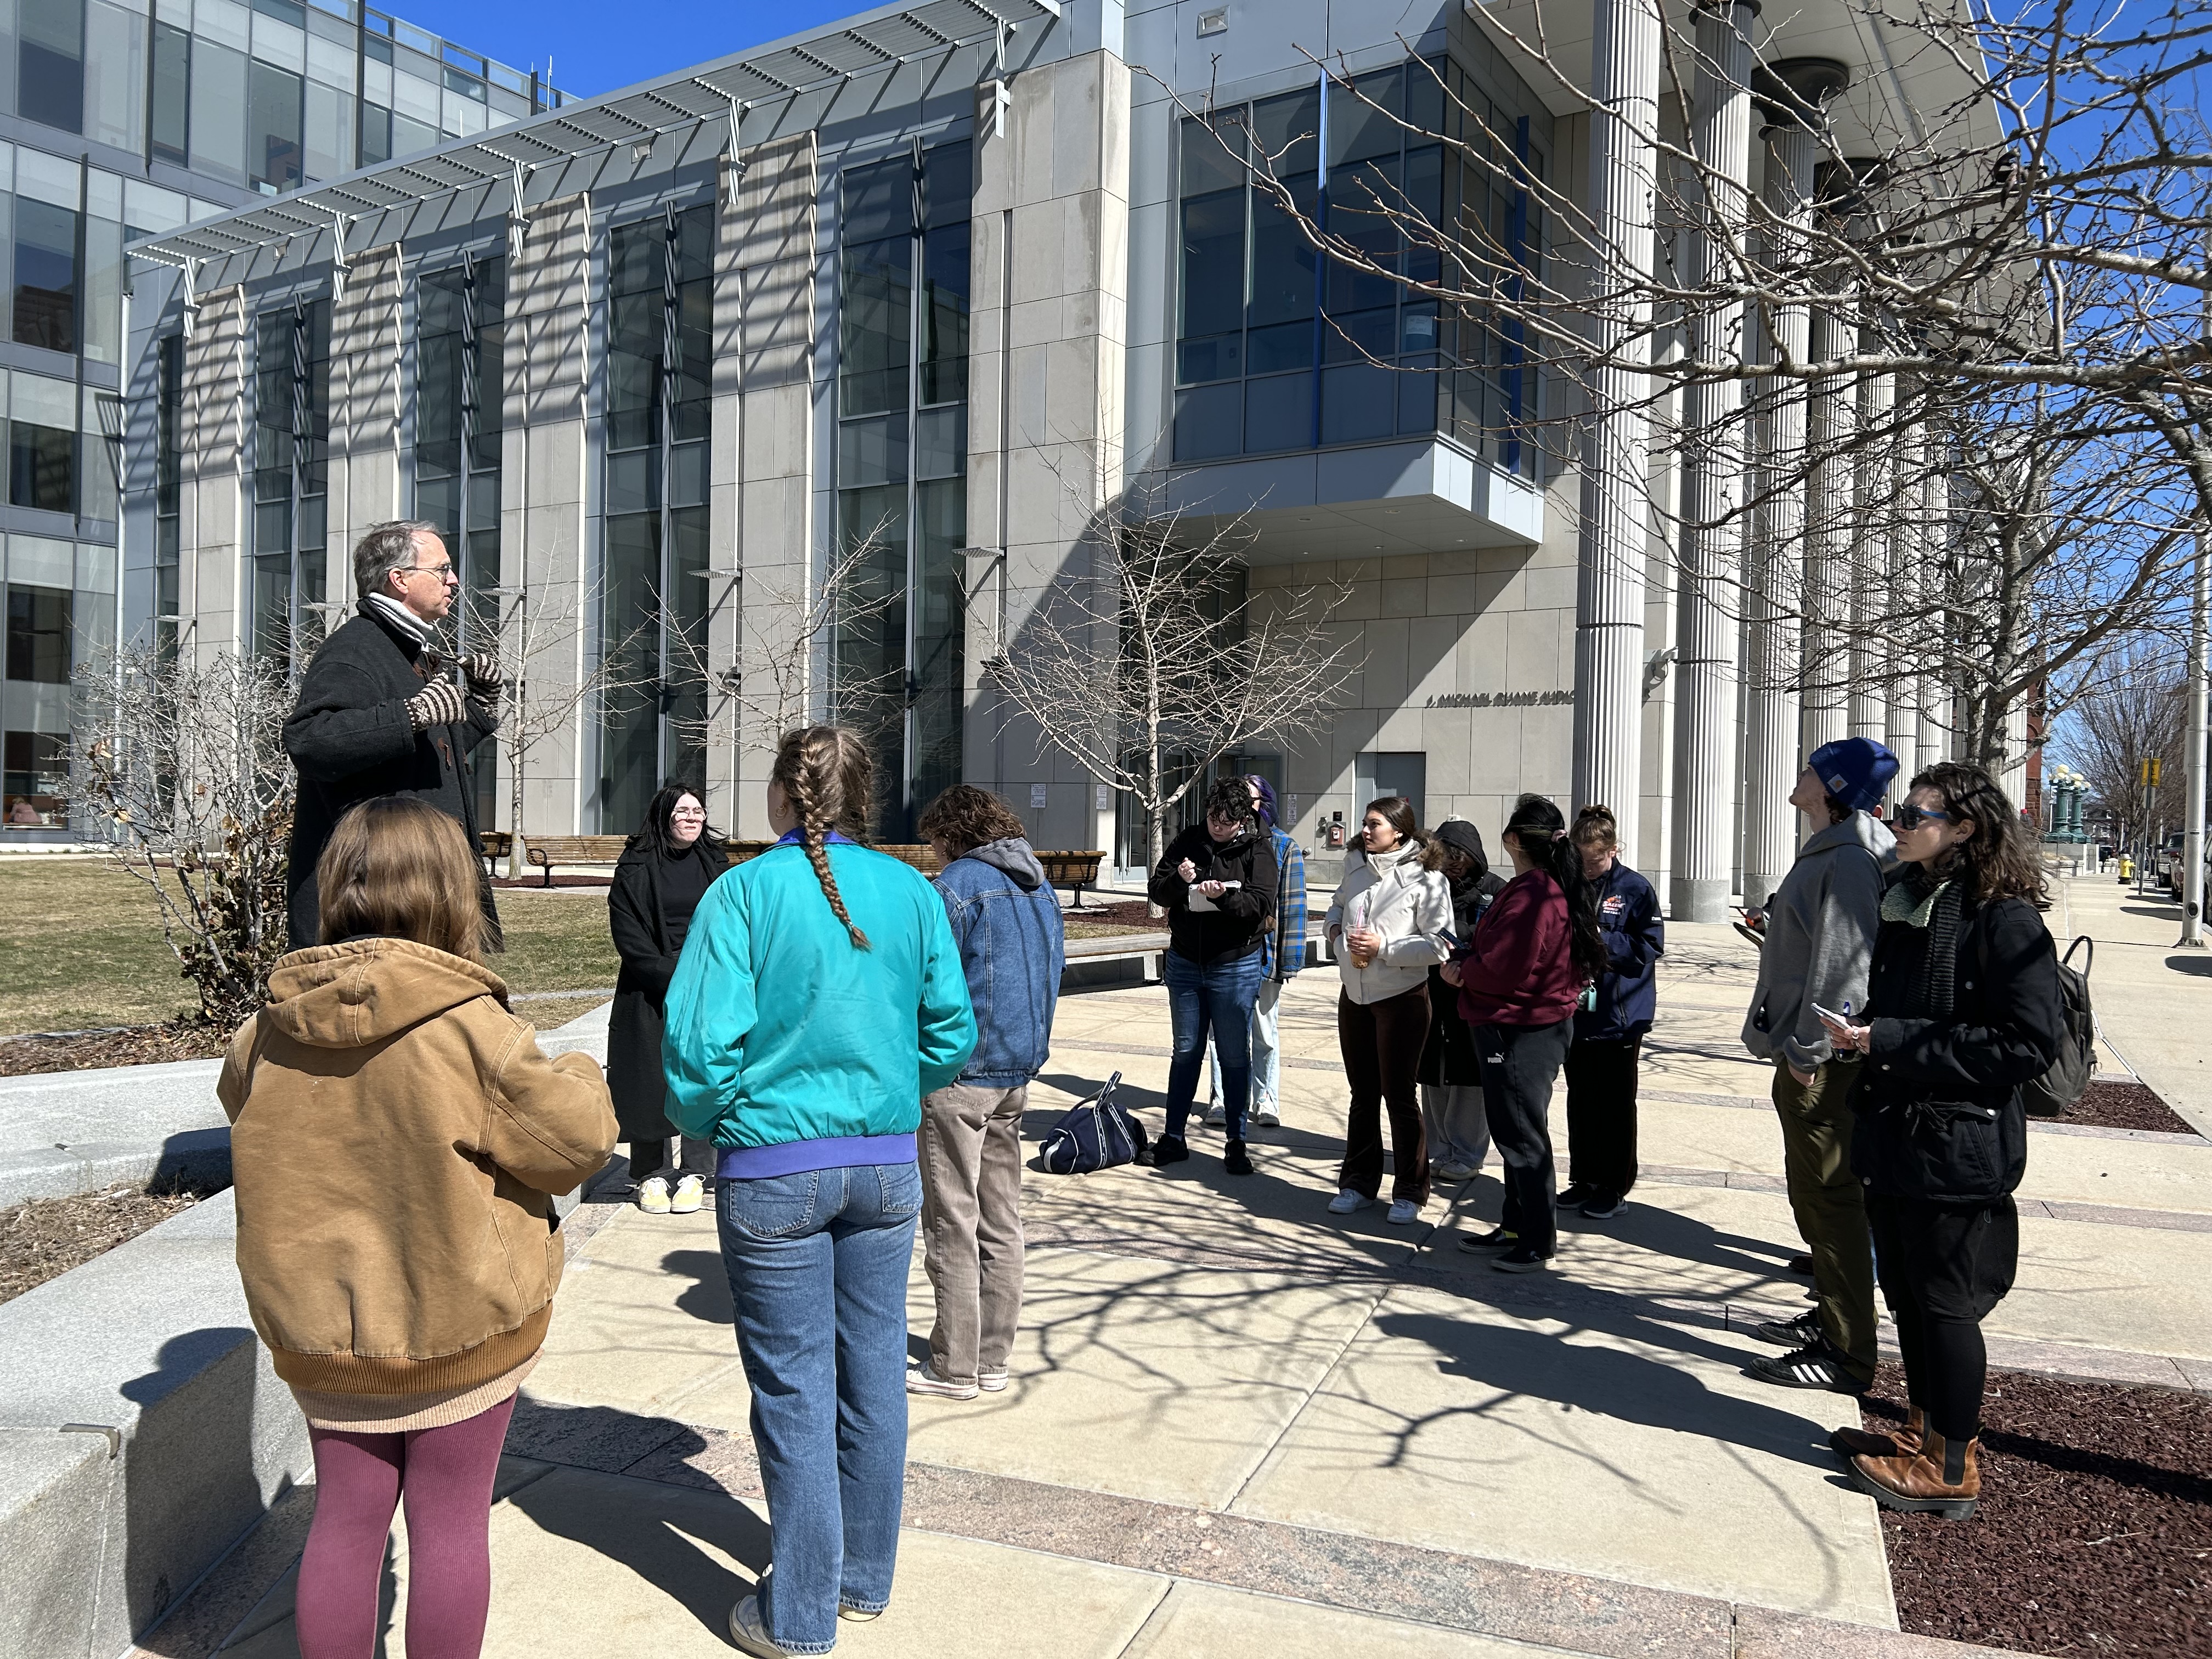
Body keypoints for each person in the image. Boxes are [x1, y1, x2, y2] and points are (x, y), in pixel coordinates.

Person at [217, 795, 617, 1659]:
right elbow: (575, 1145)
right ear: (452, 891)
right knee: (449, 1527)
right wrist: (581, 1066)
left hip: (325, 1337)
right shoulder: (476, 1032)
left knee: (344, 1521)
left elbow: (241, 1110)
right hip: (459, 1325)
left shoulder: (265, 1034)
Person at [662, 726, 975, 1657]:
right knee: (874, 1368)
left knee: (795, 1389)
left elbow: (696, 1055)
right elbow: (950, 1032)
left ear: (782, 795)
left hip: (773, 1167)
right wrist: (887, 1091)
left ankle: (799, 1614)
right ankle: (861, 1578)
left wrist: (719, 1119)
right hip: (882, 1163)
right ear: (863, 796)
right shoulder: (913, 891)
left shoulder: (744, 892)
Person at [1818, 762, 2063, 1519]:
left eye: (1916, 815)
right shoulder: (1915, 900)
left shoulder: (2003, 919)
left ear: (1964, 827)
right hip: (1898, 1133)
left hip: (1956, 1147)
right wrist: (1865, 1038)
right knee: (1910, 1297)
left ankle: (1954, 1465)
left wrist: (1885, 1037)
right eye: (1898, 813)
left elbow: (2027, 1045)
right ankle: (1923, 1433)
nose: (1899, 825)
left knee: (1946, 1304)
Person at [1739, 736, 1898, 1395]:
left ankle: (1845, 1353)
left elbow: (1846, 969)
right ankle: (1832, 1315)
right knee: (1819, 1201)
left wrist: (1807, 1054)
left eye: (1809, 768)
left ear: (1831, 788)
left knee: (1830, 1203)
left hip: (1823, 1064)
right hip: (1812, 1055)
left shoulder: (1852, 857)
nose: (1797, 774)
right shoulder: (1836, 848)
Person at [906, 785, 1065, 1401]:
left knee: (952, 1220)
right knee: (1002, 1219)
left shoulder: (959, 886)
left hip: (960, 1073)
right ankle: (993, 1357)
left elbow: (925, 976)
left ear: (952, 832)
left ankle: (955, 1366)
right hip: (1015, 1072)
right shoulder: (1036, 883)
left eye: (935, 841)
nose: (934, 853)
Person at [283, 520, 505, 952]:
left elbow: (423, 757)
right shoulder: (356, 649)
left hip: (412, 892)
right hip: (375, 903)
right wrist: (409, 715)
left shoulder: (407, 650)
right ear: (399, 579)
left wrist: (481, 704)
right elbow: (310, 742)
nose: (454, 580)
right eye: (442, 570)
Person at [1443, 793, 1604, 1273]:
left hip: (1520, 1031)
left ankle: (1536, 1238)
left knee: (1523, 1137)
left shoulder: (1535, 893)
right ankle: (1516, 1224)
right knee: (1514, 1132)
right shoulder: (1540, 886)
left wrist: (1463, 969)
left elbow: (1504, 968)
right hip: (1521, 1025)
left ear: (1513, 839)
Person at [1324, 795, 1454, 1223]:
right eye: (1364, 823)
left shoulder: (1428, 878)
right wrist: (1334, 930)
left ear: (1399, 830)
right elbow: (1339, 904)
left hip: (1401, 998)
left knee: (1399, 1097)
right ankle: (1357, 1183)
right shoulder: (1356, 866)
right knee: (1363, 1096)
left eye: (1374, 824)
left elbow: (1440, 945)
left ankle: (1410, 1191)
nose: (1365, 830)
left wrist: (1386, 948)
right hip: (1355, 995)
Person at [1147, 776, 1281, 1177]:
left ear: (1242, 819)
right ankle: (1174, 1137)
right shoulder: (1188, 840)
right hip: (1187, 961)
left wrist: (1225, 897)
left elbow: (1259, 906)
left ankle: (1237, 1141)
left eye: (1226, 822)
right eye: (1212, 818)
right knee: (1186, 1050)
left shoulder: (1258, 849)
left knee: (1234, 1053)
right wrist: (1179, 880)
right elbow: (1157, 892)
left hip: (1234, 963)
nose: (1217, 827)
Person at [608, 783, 727, 1215]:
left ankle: (697, 1171)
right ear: (664, 816)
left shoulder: (715, 863)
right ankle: (651, 1175)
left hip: (708, 981)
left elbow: (732, 922)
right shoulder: (635, 866)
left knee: (700, 1072)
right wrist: (669, 974)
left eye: (698, 811)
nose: (693, 818)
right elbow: (628, 933)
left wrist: (706, 974)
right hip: (649, 983)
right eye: (683, 811)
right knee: (648, 1076)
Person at [1558, 805, 1664, 1220]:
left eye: (1596, 861)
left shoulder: (1634, 888)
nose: (1588, 868)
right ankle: (1584, 1178)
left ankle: (1614, 1187)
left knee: (1615, 1105)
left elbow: (1650, 947)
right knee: (1581, 1100)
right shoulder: (1569, 884)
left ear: (1614, 850)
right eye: (1581, 860)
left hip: (1620, 1015)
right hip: (1577, 1011)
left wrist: (1603, 940)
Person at [1205, 775, 1306, 1130]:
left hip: (1264, 957)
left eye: (1249, 799)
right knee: (1222, 1033)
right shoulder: (1218, 842)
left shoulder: (1283, 847)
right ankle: (1220, 1099)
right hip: (1225, 955)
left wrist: (1286, 963)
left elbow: (1292, 909)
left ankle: (1266, 1100)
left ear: (1264, 803)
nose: (1241, 806)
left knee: (1264, 1032)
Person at [1418, 819, 1506, 1184]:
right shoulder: (1426, 886)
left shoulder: (1496, 891)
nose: (1454, 865)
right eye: (1447, 856)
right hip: (1430, 992)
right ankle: (1438, 1148)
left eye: (1461, 857)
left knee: (1470, 1075)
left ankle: (1467, 1152)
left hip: (1473, 995)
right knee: (1433, 1071)